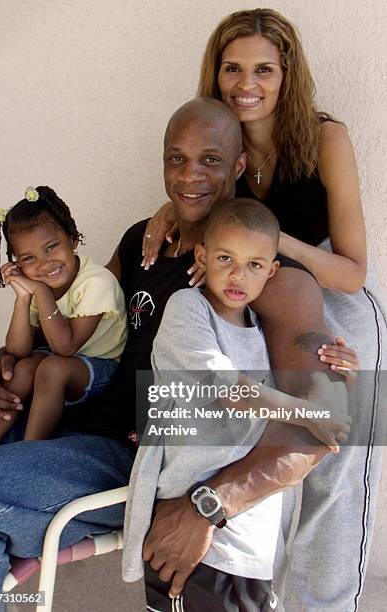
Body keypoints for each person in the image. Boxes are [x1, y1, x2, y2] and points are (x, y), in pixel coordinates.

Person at [0, 98, 354, 611]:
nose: (189, 175)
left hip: (133, 459)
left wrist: (209, 506)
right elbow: (72, 327)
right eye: (175, 158)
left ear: (239, 166)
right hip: (66, 423)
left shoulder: (270, 278)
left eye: (210, 159)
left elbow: (328, 421)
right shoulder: (144, 241)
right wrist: (0, 367)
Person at [142, 10, 387, 611]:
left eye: (263, 70)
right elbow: (199, 194)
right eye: (232, 68)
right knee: (254, 434)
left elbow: (352, 269)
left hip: (334, 293)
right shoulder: (218, 137)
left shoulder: (325, 136)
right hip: (256, 291)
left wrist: (275, 240)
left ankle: (327, 604)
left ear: (287, 75)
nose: (245, 82)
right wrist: (170, 212)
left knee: (338, 444)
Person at [124, 196, 352, 612]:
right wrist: (304, 411)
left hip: (248, 538)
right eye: (225, 257)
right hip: (190, 530)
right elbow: (222, 386)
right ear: (202, 256)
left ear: (272, 271)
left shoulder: (260, 330)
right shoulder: (187, 309)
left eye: (254, 265)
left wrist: (341, 373)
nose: (237, 274)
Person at [0, 185, 126, 444]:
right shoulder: (39, 287)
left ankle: (30, 450)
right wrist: (23, 297)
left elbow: (65, 347)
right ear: (17, 261)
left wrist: (40, 292)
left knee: (53, 368)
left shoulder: (96, 282)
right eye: (28, 258)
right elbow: (18, 351)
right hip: (62, 360)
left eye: (51, 247)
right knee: (23, 368)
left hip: (103, 369)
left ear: (72, 238)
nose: (44, 264)